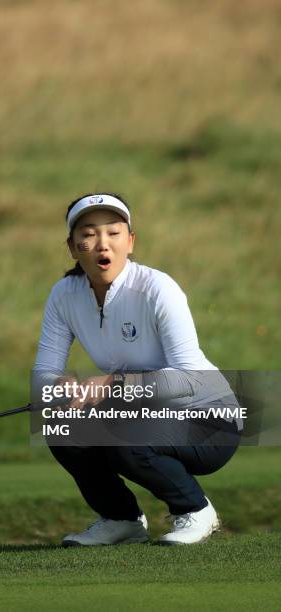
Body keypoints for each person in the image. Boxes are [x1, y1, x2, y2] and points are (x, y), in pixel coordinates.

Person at [32, 193, 242, 546]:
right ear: (72, 246)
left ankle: (195, 510)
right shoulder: (64, 295)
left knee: (125, 435)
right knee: (62, 424)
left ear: (130, 242)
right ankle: (121, 519)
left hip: (211, 421)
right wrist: (61, 386)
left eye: (114, 233)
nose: (102, 243)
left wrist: (113, 383)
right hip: (146, 415)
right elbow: (43, 377)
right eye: (89, 233)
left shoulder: (158, 289)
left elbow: (190, 379)